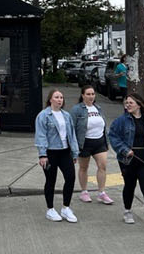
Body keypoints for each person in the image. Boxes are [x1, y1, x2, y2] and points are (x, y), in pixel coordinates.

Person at [107, 94, 144, 233]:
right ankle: (127, 211)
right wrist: (124, 150)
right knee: (130, 186)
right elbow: (113, 136)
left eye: (131, 103)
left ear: (139, 105)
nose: (127, 105)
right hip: (128, 160)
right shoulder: (121, 121)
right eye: (126, 102)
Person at [34, 89, 80, 222]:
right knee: (51, 180)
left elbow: (72, 135)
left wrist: (75, 152)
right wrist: (42, 155)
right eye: (57, 97)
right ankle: (50, 209)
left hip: (65, 151)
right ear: (50, 99)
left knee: (70, 177)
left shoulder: (66, 115)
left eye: (61, 97)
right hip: (50, 152)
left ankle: (66, 208)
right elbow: (41, 135)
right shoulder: (43, 115)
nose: (60, 99)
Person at [70, 85, 113, 205]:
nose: (91, 96)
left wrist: (106, 141)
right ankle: (84, 192)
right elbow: (71, 128)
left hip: (99, 142)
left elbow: (103, 125)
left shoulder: (98, 108)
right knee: (84, 167)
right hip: (84, 143)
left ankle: (102, 193)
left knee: (102, 166)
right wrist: (73, 147)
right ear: (83, 95)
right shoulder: (77, 109)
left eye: (93, 94)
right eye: (88, 94)